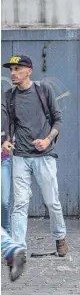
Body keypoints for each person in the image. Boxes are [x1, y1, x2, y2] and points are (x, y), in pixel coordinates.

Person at [1, 55, 68, 256]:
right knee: (20, 204)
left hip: (44, 156)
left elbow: (58, 120)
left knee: (51, 202)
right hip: (20, 156)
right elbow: (6, 123)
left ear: (29, 71)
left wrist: (47, 140)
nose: (13, 73)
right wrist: (5, 140)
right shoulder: (9, 96)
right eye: (11, 70)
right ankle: (18, 247)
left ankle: (60, 236)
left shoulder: (43, 90)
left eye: (17, 69)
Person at [1, 98, 11, 233]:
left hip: (3, 161)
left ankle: (5, 235)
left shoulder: (3, 111)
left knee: (4, 201)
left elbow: (10, 132)